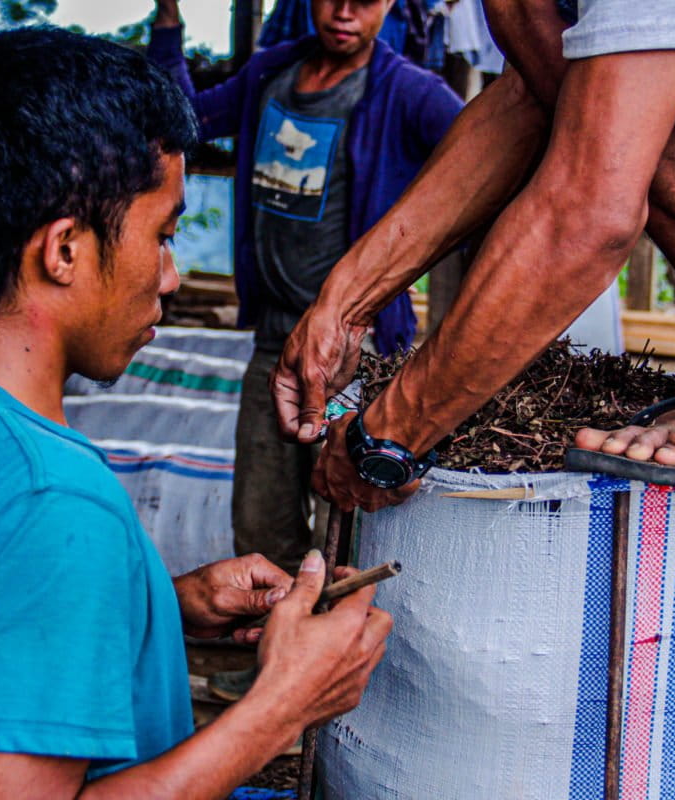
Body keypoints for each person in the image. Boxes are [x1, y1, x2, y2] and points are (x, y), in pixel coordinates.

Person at [0, 28, 391, 799]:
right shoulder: (51, 504)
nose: (171, 275)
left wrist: (154, 604)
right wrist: (282, 706)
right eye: (162, 234)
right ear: (64, 249)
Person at [271, 0, 675, 511]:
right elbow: (541, 89)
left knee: (585, 37)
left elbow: (589, 214)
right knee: (592, 47)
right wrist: (344, 304)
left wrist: (390, 437)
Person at [148, 0, 462, 570]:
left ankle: (333, 627)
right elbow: (183, 118)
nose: (344, 11)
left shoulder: (410, 93)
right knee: (260, 525)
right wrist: (168, 19)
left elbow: (483, 168)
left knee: (346, 526)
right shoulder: (271, 72)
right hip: (275, 342)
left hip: (358, 353)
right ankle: (273, 628)